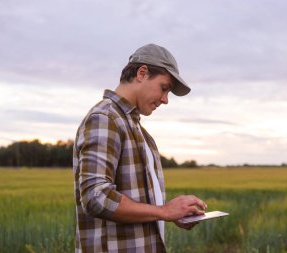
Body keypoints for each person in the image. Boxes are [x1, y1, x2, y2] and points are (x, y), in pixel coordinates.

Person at [73, 43, 207, 253]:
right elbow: (95, 197)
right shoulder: (105, 118)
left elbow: (142, 206)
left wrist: (171, 214)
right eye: (164, 88)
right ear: (142, 73)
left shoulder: (140, 132)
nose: (165, 100)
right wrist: (164, 211)